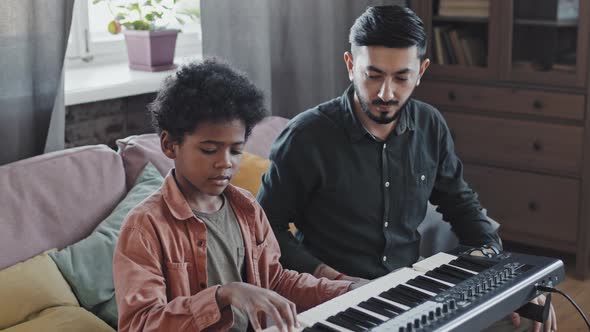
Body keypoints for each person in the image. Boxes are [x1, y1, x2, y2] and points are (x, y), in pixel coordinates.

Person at [257, 5, 556, 332]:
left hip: (410, 293)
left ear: (421, 71)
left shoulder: (430, 124)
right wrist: (326, 274)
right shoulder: (306, 137)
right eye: (373, 75)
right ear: (350, 65)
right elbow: (266, 228)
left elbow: (461, 204)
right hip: (332, 299)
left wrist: (504, 280)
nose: (386, 93)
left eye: (402, 77)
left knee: (527, 322)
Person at [113, 59, 355, 332]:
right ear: (170, 145)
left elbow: (275, 281)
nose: (225, 162)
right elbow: (139, 324)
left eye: (235, 150)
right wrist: (222, 295)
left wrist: (347, 289)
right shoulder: (144, 227)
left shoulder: (247, 207)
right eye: (209, 149)